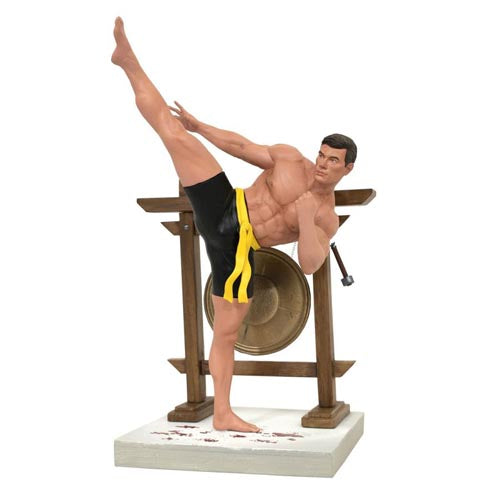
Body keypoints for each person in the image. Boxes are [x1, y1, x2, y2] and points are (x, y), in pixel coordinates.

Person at [111, 16, 356, 434]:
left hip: (238, 249)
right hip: (225, 205)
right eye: (321, 154)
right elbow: (241, 146)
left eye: (332, 161)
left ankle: (222, 412)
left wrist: (303, 218)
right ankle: (128, 60)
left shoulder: (325, 216)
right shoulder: (289, 159)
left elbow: (311, 264)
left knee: (226, 334)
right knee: (175, 134)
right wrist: (200, 126)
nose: (322, 163)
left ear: (346, 169)